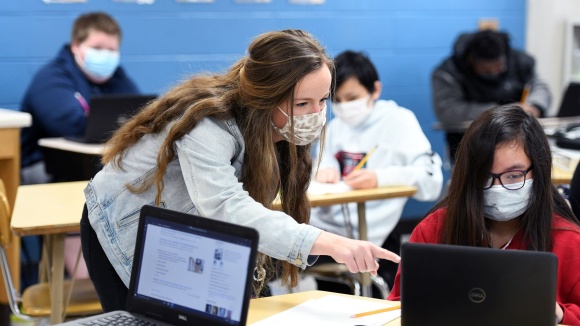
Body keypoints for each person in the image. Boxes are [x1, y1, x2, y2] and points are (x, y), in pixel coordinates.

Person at [80, 29, 401, 312]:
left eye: (322, 100)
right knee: (150, 320)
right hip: (125, 227)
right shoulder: (209, 122)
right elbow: (225, 206)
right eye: (302, 104)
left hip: (189, 231)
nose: (316, 113)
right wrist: (332, 243)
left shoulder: (282, 124)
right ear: (266, 97)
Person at [387, 105, 580, 325]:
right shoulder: (434, 229)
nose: (498, 187)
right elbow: (398, 307)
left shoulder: (570, 242)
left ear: (539, 170)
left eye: (514, 175)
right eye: (484, 177)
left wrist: (561, 314)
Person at [309, 50, 443, 290]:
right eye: (336, 100)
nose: (343, 107)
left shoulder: (399, 120)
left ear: (375, 90)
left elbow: (430, 180)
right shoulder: (334, 126)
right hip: (329, 231)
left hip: (376, 231)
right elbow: (322, 160)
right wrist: (324, 169)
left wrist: (380, 178)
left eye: (352, 97)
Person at [20, 11, 139, 185]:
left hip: (98, 161)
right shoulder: (52, 77)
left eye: (112, 50)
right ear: (76, 46)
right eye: (97, 48)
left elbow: (141, 114)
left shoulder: (117, 76)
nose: (105, 55)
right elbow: (71, 125)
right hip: (44, 165)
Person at [432, 29, 551, 162]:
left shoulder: (520, 61)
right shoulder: (449, 72)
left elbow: (540, 86)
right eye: (488, 69)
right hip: (471, 145)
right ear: (472, 60)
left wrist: (534, 106)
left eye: (499, 66)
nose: (496, 71)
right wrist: (501, 112)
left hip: (520, 141)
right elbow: (448, 111)